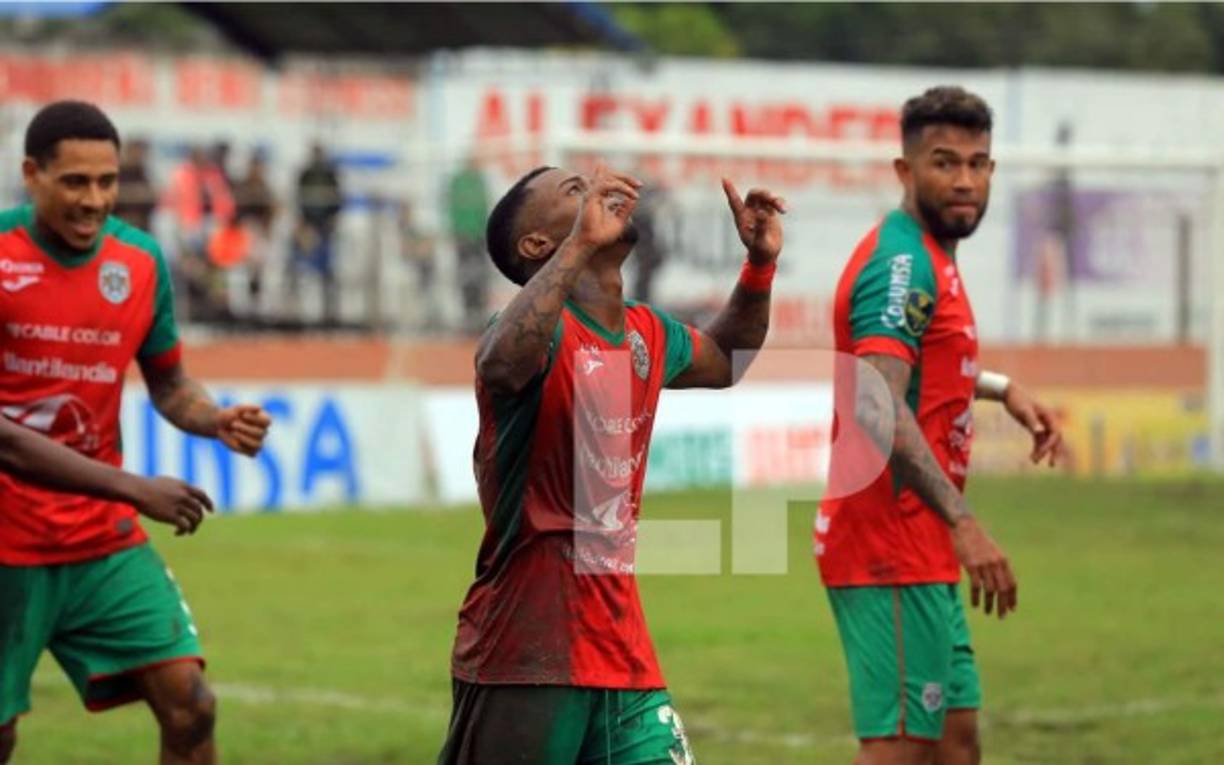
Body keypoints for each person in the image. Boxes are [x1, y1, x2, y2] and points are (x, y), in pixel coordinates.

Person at [438, 163, 786, 764]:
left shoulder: (645, 333)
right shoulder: (532, 332)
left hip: (623, 649)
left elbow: (727, 359)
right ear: (537, 245)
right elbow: (499, 363)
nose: (601, 191)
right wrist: (579, 245)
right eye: (575, 191)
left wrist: (758, 266)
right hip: (529, 643)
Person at [0, 100, 273, 765]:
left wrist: (213, 417)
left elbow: (170, 383)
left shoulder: (141, 262)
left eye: (107, 181)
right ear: (32, 174)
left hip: (99, 539)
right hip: (7, 538)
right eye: (74, 182)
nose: (94, 199)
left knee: (191, 705)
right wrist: (132, 488)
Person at [815, 86, 1066, 765]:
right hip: (890, 542)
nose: (964, 180)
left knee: (957, 743)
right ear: (906, 171)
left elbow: (922, 368)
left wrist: (1001, 388)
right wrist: (963, 521)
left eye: (979, 163)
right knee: (903, 751)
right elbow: (875, 401)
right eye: (944, 162)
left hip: (920, 541)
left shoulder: (933, 253)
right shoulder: (903, 263)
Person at [292, 142, 343, 325]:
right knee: (301, 270)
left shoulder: (330, 174)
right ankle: (298, 315)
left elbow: (338, 199)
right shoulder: (305, 174)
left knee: (328, 272)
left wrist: (331, 221)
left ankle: (330, 314)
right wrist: (304, 226)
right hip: (309, 228)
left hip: (325, 229)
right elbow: (299, 199)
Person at [446, 156, 490, 333]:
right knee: (465, 275)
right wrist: (456, 231)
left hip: (478, 237)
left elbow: (485, 207)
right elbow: (451, 207)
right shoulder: (458, 182)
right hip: (463, 236)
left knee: (480, 275)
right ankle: (468, 314)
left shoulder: (480, 181)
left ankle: (478, 313)